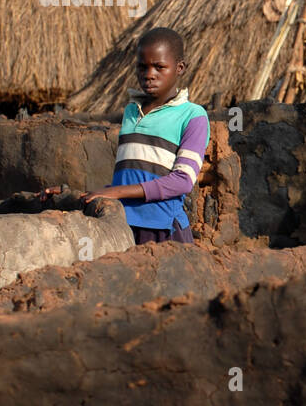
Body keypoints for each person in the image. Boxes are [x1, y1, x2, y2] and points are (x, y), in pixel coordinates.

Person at [47, 28, 208, 244]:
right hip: (121, 225)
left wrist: (118, 192)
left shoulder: (193, 115)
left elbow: (183, 181)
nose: (149, 74)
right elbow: (126, 179)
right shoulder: (131, 112)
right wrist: (74, 194)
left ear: (180, 68)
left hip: (163, 229)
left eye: (159, 67)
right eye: (143, 67)